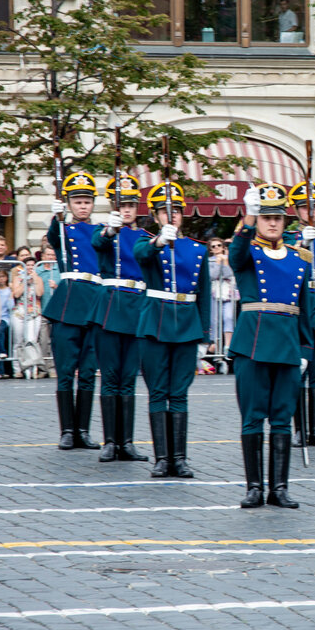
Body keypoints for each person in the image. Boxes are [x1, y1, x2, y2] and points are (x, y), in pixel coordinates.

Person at [230, 182, 313, 510]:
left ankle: (279, 487)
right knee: (252, 417)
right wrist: (248, 217)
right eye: (267, 217)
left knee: (282, 417)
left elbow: (305, 309)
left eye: (278, 216)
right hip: (253, 343)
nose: (273, 222)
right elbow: (235, 253)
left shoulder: (299, 257)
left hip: (288, 344)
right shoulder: (248, 251)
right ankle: (254, 487)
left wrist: (306, 351)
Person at [134, 181, 211, 479]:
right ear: (156, 216)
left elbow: (203, 294)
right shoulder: (148, 244)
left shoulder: (197, 249)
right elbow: (140, 255)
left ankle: (179, 458)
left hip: (187, 324)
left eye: (176, 211)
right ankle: (161, 459)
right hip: (155, 322)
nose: (172, 216)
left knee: (179, 393)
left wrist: (205, 335)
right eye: (165, 212)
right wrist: (158, 242)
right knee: (158, 391)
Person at [89, 174, 150, 462]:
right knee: (110, 377)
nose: (127, 209)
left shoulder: (144, 237)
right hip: (111, 306)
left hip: (137, 307)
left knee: (128, 379)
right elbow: (96, 244)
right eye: (121, 204)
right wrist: (110, 231)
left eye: (131, 204)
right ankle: (110, 441)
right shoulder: (106, 231)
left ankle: (126, 442)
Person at [44, 171, 103, 450]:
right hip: (68, 305)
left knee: (89, 371)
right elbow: (53, 238)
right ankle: (67, 430)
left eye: (87, 202)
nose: (82, 206)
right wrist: (55, 218)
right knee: (66, 370)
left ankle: (83, 430)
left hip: (93, 304)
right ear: (68, 204)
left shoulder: (104, 232)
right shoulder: (64, 229)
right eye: (77, 201)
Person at [286, 180, 315, 449]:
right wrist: (301, 244)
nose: (309, 212)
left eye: (313, 206)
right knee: (299, 371)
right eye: (304, 207)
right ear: (296, 210)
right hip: (300, 313)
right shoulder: (290, 241)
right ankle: (299, 430)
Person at [10, 257, 44, 378]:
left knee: (31, 340)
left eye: (32, 265)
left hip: (34, 312)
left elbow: (40, 293)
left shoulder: (38, 279)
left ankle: (32, 368)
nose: (30, 267)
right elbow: (17, 294)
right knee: (18, 341)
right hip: (19, 312)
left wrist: (34, 279)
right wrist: (25, 282)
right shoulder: (17, 278)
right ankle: (17, 369)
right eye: (28, 265)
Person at [207, 238, 237, 369]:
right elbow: (212, 275)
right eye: (214, 246)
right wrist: (218, 263)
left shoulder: (229, 259)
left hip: (228, 293)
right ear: (210, 249)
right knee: (215, 320)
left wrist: (224, 262)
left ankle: (227, 346)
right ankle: (216, 348)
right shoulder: (209, 261)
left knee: (229, 317)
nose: (217, 248)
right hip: (215, 293)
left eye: (219, 245)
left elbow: (229, 273)